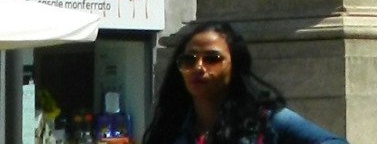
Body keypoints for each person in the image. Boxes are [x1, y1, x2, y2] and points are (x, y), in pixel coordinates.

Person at [144, 20, 348, 144]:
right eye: (189, 60)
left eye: (212, 59)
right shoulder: (171, 127)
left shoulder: (268, 120)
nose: (199, 67)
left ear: (235, 65)